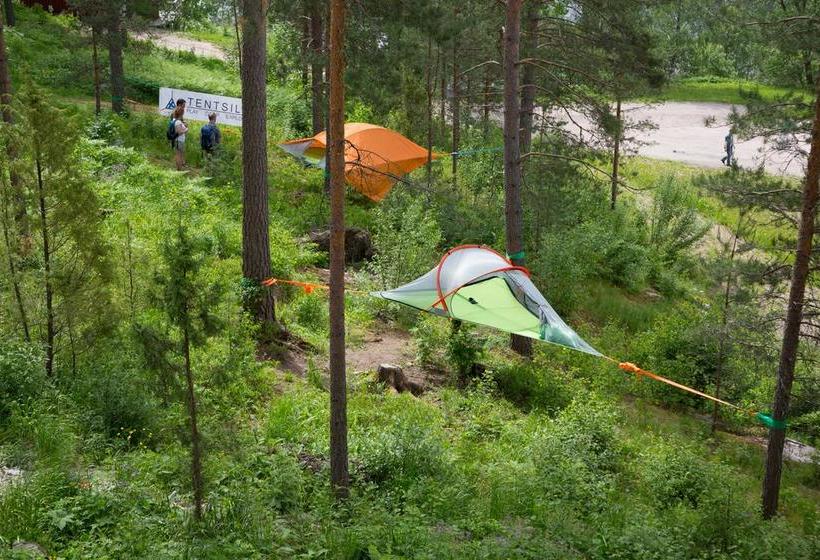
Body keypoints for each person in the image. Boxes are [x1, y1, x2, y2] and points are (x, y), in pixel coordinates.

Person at [169, 99, 189, 170]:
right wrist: (185, 128)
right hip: (177, 136)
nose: (184, 107)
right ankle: (179, 167)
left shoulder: (178, 112)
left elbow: (180, 121)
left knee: (180, 152)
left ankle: (182, 163)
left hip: (179, 136)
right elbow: (176, 123)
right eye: (183, 105)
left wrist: (184, 123)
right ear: (179, 105)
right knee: (178, 153)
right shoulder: (175, 112)